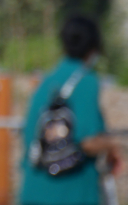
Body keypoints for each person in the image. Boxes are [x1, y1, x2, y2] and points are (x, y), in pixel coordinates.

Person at [20, 14, 123, 205]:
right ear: (94, 46)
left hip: (34, 191)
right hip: (70, 194)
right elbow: (88, 141)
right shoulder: (86, 82)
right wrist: (112, 146)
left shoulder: (46, 82)